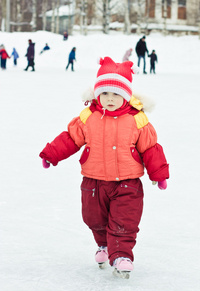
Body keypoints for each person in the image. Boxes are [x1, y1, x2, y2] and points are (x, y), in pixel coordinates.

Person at [39, 57, 169, 279]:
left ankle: (122, 255)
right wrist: (52, 154)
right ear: (97, 93)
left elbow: (150, 148)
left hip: (128, 181)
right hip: (93, 180)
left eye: (116, 94)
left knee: (125, 220)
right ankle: (104, 245)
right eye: (105, 93)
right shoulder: (89, 116)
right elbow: (71, 138)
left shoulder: (137, 119)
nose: (110, 99)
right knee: (94, 218)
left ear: (127, 95)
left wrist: (158, 173)